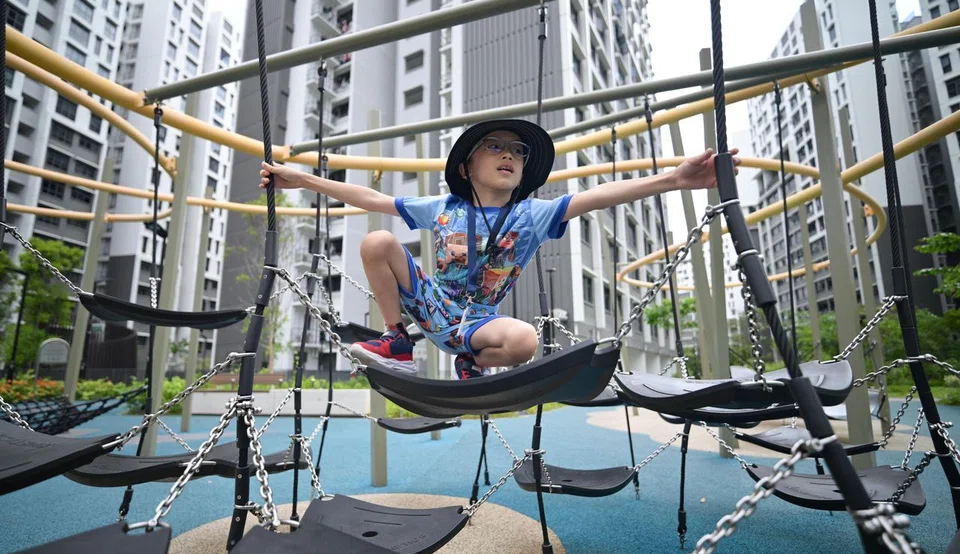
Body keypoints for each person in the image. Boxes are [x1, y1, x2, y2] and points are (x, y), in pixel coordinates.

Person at [260, 119, 739, 379]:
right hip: (431, 303)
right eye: (494, 146)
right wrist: (301, 179)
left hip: (481, 321)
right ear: (468, 168)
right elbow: (372, 199)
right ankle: (397, 339)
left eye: (518, 150)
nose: (509, 153)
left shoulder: (533, 215)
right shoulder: (444, 207)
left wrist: (676, 180)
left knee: (525, 341)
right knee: (377, 240)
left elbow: (602, 194)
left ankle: (470, 362)